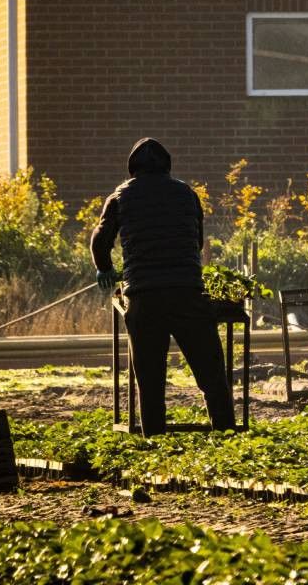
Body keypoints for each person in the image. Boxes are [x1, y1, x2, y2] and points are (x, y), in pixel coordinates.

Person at [90, 137, 235, 435]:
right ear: (167, 165)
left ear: (133, 168)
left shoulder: (120, 196)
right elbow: (197, 242)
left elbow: (100, 238)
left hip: (143, 296)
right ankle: (225, 432)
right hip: (187, 292)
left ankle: (154, 438)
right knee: (210, 372)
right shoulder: (186, 194)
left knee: (150, 376)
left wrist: (104, 268)